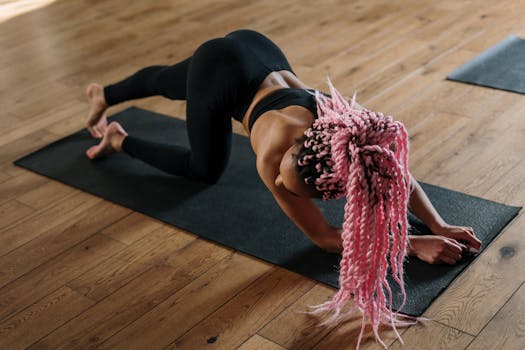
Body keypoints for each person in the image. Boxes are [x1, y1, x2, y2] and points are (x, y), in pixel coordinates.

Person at [84, 29, 482, 349]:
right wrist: (412, 243)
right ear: (294, 148)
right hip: (223, 70)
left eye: (287, 187)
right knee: (202, 168)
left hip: (253, 48)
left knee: (172, 80)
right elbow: (325, 238)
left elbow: (393, 169)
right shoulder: (271, 156)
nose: (275, 185)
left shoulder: (345, 128)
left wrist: (440, 225)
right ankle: (119, 139)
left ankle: (105, 95)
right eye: (282, 179)